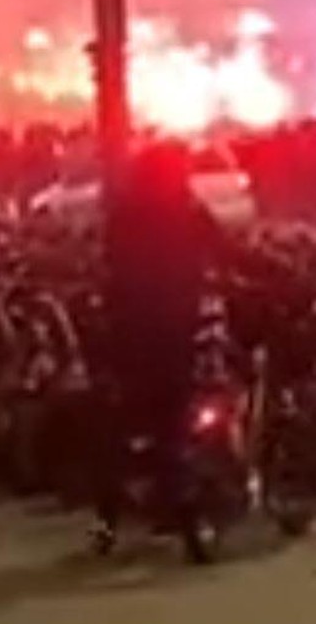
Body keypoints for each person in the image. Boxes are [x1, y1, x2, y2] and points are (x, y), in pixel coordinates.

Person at [93, 142, 274, 541]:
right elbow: (223, 248)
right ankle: (175, 500)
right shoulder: (184, 210)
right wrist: (259, 265)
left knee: (131, 417)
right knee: (173, 413)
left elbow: (109, 261)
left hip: (126, 327)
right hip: (174, 323)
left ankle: (110, 512)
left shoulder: (124, 212)